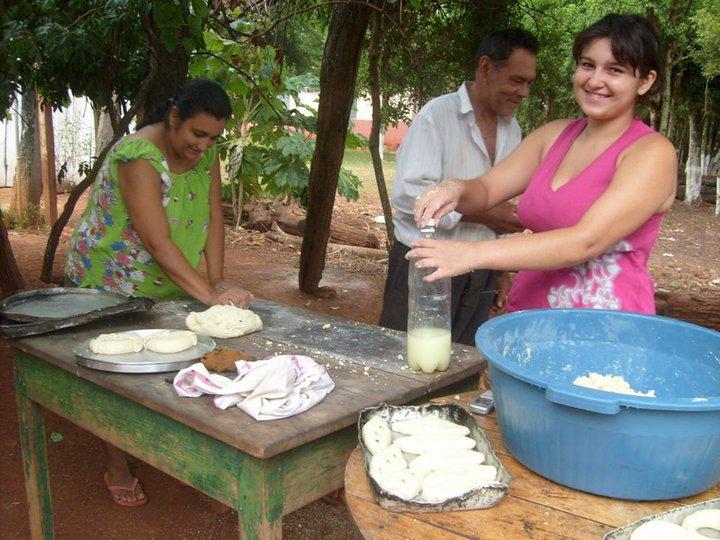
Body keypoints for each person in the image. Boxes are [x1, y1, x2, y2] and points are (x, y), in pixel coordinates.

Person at [65, 78, 253, 506]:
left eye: (213, 138)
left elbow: (212, 219)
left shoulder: (205, 157)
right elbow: (155, 241)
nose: (204, 145)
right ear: (174, 118)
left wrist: (218, 279)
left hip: (170, 280)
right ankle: (116, 462)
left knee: (173, 361)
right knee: (114, 373)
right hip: (111, 280)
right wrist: (208, 295)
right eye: (197, 134)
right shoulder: (139, 156)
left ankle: (166, 444)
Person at [411, 14, 676, 315]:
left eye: (614, 70)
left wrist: (468, 254)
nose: (595, 80)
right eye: (587, 65)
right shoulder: (554, 135)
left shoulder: (651, 153)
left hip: (604, 330)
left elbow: (585, 242)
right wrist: (455, 189)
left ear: (645, 81)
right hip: (529, 317)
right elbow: (486, 188)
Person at [378, 28, 538, 345]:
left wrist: (500, 271)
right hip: (424, 267)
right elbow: (410, 196)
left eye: (529, 83)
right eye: (517, 80)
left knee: (459, 366)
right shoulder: (437, 116)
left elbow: (503, 205)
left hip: (480, 270)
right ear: (486, 68)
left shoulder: (512, 129)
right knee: (401, 361)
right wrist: (483, 215)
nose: (524, 93)